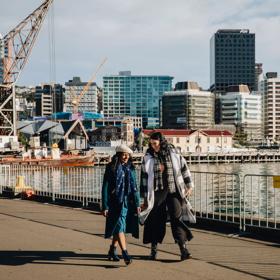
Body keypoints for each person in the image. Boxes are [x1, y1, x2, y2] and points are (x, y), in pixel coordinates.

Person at [139, 132, 194, 261]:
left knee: (176, 218)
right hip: (157, 193)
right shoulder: (148, 157)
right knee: (155, 221)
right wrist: (144, 199)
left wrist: (189, 186)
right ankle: (154, 250)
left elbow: (184, 168)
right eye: (151, 144)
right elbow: (144, 178)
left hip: (173, 191)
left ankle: (183, 250)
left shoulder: (173, 153)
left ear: (161, 142)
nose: (153, 146)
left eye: (155, 144)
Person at [102, 144, 141, 265]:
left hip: (127, 202)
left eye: (128, 155)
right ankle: (125, 253)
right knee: (119, 226)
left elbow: (135, 187)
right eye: (123, 154)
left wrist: (138, 203)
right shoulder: (111, 168)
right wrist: (105, 206)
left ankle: (112, 251)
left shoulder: (131, 168)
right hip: (114, 202)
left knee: (119, 226)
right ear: (118, 155)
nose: (126, 157)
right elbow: (105, 187)